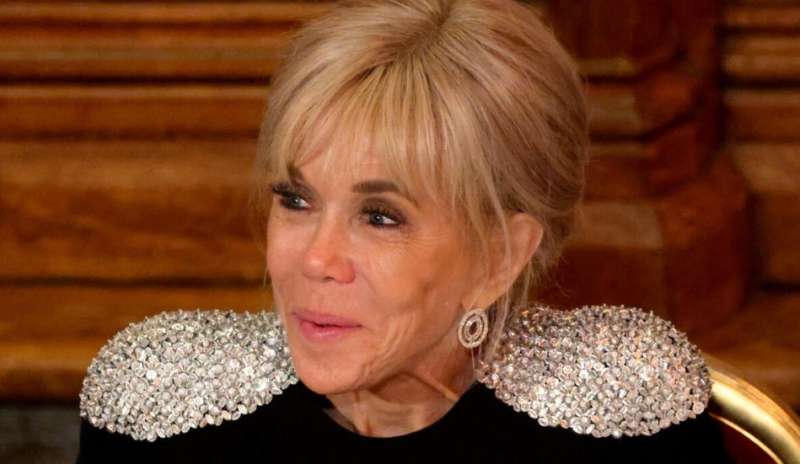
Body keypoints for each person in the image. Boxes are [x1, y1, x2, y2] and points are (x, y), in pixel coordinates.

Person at [75, 0, 734, 462]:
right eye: (296, 200)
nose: (316, 259)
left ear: (499, 258)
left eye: (380, 217)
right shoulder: (160, 410)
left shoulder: (624, 419)